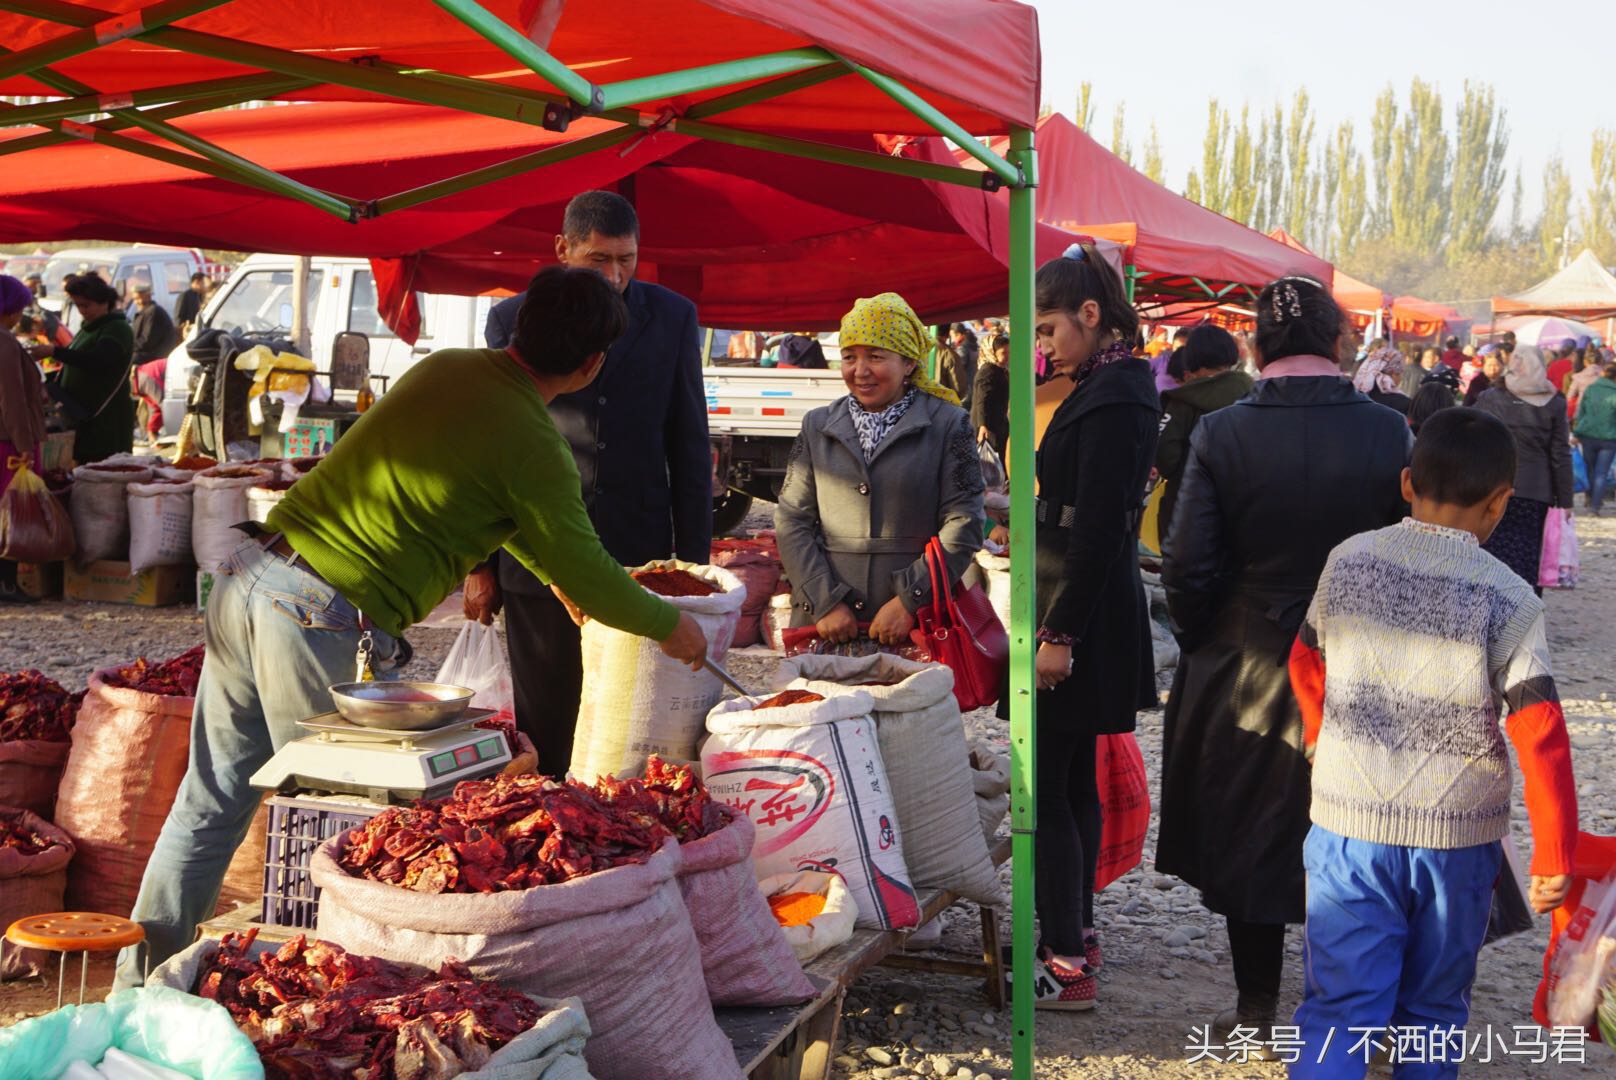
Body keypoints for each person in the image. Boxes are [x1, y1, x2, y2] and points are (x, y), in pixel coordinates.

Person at [113, 266, 711, 989]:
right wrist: (670, 625)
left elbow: (487, 504)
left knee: (210, 803)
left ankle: (136, 984)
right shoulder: (535, 443)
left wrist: (547, 571)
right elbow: (589, 571)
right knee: (349, 828)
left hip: (250, 579)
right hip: (315, 615)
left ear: (520, 327)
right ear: (592, 365)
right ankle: (329, 1005)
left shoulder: (449, 370)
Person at [1158, 276, 1411, 1050]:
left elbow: (1188, 561)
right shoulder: (1392, 430)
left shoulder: (1224, 432)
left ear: (1257, 347)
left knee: (1252, 826)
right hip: (1367, 653)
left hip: (1251, 655)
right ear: (1338, 341)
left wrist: (1209, 640)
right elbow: (1417, 544)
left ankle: (1257, 1006)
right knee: (1370, 827)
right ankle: (1368, 1012)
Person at [1287, 408, 1576, 1076]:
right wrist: (1553, 853)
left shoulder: (1348, 562)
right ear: (1502, 502)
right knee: (1433, 1016)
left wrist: (1319, 740)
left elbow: (1306, 661)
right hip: (1458, 838)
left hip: (1348, 821)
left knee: (1339, 1011)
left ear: (1408, 482)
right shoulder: (1511, 597)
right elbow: (1541, 732)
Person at [470, 191, 710, 773]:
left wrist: (697, 569)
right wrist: (480, 565)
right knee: (547, 720)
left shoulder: (673, 317)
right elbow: (486, 454)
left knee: (635, 725)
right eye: (598, 260)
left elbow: (689, 443)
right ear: (562, 250)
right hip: (538, 556)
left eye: (626, 260)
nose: (614, 275)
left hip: (639, 556)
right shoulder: (513, 317)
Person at [1008, 245, 1158, 1011]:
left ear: (1091, 316)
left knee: (1056, 787)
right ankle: (1075, 931)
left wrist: (1060, 634)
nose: (1044, 344)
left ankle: (1065, 955)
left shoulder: (1120, 394)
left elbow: (1101, 527)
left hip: (1079, 604)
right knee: (1069, 780)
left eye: (1050, 327)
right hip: (1071, 592)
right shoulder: (1103, 383)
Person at [775, 292, 980, 651]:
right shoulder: (817, 426)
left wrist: (911, 600)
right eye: (850, 357)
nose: (860, 370)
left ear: (909, 363)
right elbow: (791, 520)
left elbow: (964, 521)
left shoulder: (949, 424)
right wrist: (824, 601)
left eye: (876, 356)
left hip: (914, 628)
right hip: (826, 628)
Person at [1474, 346, 1574, 592]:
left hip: (1492, 488)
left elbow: (1473, 442)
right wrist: (1566, 500)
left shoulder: (1490, 397)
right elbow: (1560, 454)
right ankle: (1524, 621)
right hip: (1535, 493)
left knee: (1491, 555)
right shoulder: (1554, 402)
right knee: (1528, 558)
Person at [1155, 325, 1252, 539]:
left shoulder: (1184, 400)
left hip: (1188, 509)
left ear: (1192, 360)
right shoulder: (1255, 392)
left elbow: (1164, 454)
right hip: (1242, 508)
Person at [27, 272, 134, 464]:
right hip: (83, 416)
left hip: (106, 419)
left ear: (104, 302)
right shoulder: (89, 328)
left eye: (86, 305)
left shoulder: (116, 329)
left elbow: (98, 361)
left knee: (107, 473)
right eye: (78, 305)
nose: (82, 310)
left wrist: (54, 351)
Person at [0, 275, 45, 605]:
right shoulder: (4, 342)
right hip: (8, 443)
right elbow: (11, 399)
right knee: (10, 513)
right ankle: (6, 585)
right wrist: (24, 445)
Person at [1572, 362, 1616, 515]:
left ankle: (1590, 498)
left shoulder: (1591, 389)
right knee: (1601, 473)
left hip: (1588, 435)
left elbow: (1581, 411)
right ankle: (1595, 506)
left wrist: (1577, 432)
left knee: (1590, 468)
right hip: (1609, 438)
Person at [971, 332, 1010, 455]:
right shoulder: (988, 371)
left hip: (997, 424)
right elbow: (982, 400)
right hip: (990, 428)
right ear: (991, 352)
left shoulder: (998, 369)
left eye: (1009, 352)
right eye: (1004, 353)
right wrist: (983, 425)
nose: (1008, 356)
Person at [1350, 344, 1411, 415]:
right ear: (1393, 373)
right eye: (1401, 373)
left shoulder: (1355, 397)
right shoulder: (1403, 403)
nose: (1401, 378)